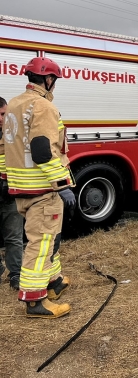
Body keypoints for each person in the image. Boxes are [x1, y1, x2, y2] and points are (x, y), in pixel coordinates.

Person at [3, 58, 74, 318]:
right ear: (49, 79)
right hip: (42, 188)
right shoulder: (43, 106)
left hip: (22, 187)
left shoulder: (14, 104)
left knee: (48, 237)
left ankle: (53, 282)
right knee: (41, 243)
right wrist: (62, 184)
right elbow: (43, 151)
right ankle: (35, 301)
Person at [0, 96, 23, 291]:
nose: (3, 118)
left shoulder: (14, 134)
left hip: (10, 193)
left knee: (14, 237)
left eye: (5, 114)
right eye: (0, 114)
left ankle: (16, 274)